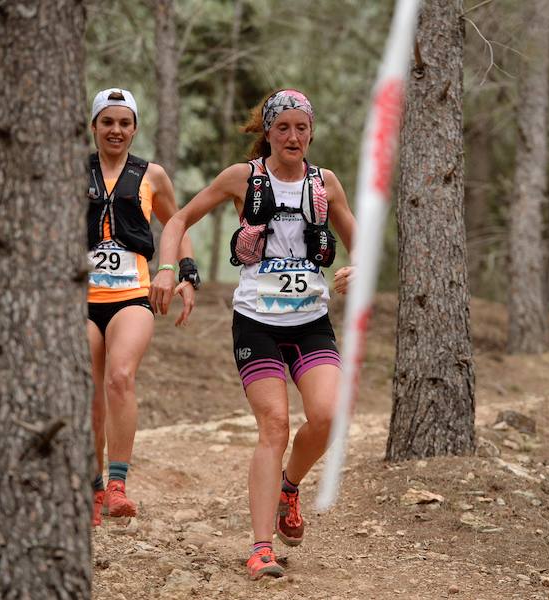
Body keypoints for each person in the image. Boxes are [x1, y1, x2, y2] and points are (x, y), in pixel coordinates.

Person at [150, 89, 355, 579]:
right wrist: (165, 267)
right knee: (274, 426)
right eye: (282, 127)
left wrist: (357, 270)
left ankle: (290, 487)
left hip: (310, 321)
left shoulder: (324, 184)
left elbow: (358, 240)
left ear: (311, 132)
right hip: (257, 321)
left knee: (327, 416)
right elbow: (178, 219)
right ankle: (261, 547)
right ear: (267, 132)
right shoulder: (244, 178)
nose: (293, 136)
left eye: (301, 128)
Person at [85, 88, 199, 527]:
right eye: (107, 122)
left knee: (119, 377)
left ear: (135, 128)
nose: (116, 130)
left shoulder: (152, 175)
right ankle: (90, 488)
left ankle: (117, 487)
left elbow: (178, 222)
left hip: (133, 293)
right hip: (81, 298)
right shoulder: (73, 171)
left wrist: (184, 272)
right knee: (88, 391)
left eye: (124, 123)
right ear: (94, 126)